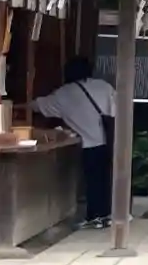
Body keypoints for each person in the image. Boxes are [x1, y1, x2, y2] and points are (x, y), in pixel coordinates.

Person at [34, 57, 117, 228]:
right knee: (107, 178)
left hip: (88, 145)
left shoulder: (64, 93)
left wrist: (19, 105)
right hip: (109, 141)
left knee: (92, 181)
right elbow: (117, 108)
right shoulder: (104, 86)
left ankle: (95, 216)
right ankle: (109, 214)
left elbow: (41, 106)